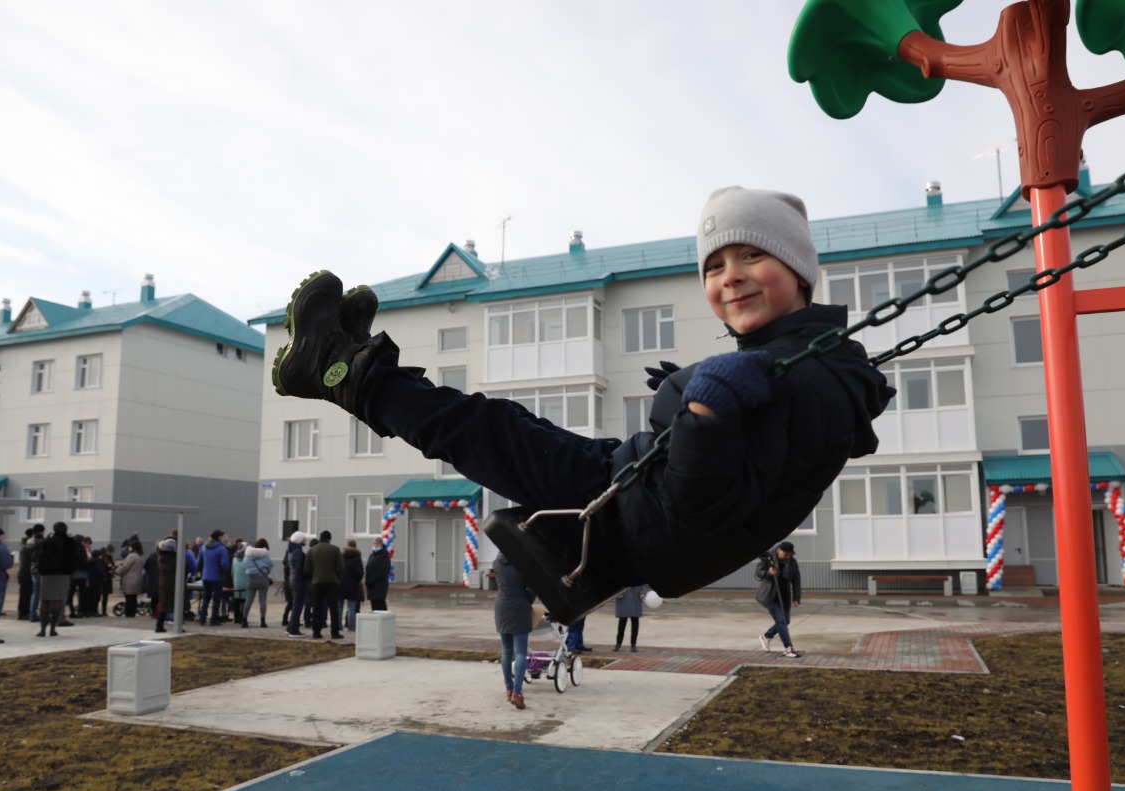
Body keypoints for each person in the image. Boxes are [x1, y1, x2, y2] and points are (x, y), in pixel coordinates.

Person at [268, 186, 893, 622]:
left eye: (753, 255)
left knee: (477, 428)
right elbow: (759, 455)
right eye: (714, 265)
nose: (730, 276)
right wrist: (694, 397)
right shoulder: (804, 360)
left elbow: (705, 507)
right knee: (495, 424)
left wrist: (704, 412)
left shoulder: (813, 375)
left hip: (629, 514)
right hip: (632, 491)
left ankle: (339, 371)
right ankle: (350, 362)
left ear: (801, 271)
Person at [493, 552, 536, 710]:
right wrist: (527, 601)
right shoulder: (522, 563)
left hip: (501, 606)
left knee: (506, 651)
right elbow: (532, 588)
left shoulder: (496, 562)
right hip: (519, 607)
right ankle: (517, 693)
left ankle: (509, 689)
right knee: (520, 652)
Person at [755, 541, 802, 658]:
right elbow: (758, 573)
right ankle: (788, 648)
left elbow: (796, 580)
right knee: (781, 620)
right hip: (770, 595)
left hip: (784, 595)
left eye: (789, 555)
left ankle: (766, 636)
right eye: (785, 554)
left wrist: (796, 597)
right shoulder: (769, 558)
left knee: (786, 620)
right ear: (778, 550)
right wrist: (769, 573)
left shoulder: (792, 562)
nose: (787, 557)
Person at [36, 521, 82, 637]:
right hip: (63, 574)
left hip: (47, 575)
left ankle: (42, 629)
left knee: (45, 601)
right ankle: (52, 628)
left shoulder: (47, 542)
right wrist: (69, 571)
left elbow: (40, 558)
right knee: (58, 601)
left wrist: (41, 570)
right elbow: (74, 560)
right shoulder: (71, 543)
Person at [306, 530, 344, 640]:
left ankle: (316, 632)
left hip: (316, 582)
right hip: (332, 582)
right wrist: (337, 577)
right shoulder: (335, 550)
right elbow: (340, 567)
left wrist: (313, 577)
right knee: (333, 608)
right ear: (329, 539)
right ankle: (335, 632)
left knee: (317, 607)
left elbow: (307, 568)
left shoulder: (312, 550)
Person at [196, 529, 231, 626]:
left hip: (206, 576)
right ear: (219, 537)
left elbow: (199, 561)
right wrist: (223, 572)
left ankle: (202, 618)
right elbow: (225, 564)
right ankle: (213, 619)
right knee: (216, 599)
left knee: (206, 597)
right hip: (217, 577)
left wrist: (200, 572)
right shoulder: (221, 549)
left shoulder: (203, 547)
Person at [242, 538, 274, 628]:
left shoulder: (248, 555)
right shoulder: (266, 555)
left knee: (248, 600)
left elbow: (244, 565)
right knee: (262, 601)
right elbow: (270, 565)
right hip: (263, 579)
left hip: (250, 578)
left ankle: (244, 620)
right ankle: (263, 621)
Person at [284, 531, 309, 636]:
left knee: (295, 605)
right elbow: (300, 568)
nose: (305, 540)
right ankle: (294, 630)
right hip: (298, 581)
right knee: (297, 606)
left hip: (293, 580)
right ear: (299, 540)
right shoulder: (298, 552)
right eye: (304, 539)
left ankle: (290, 627)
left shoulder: (291, 551)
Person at [116, 539, 145, 619]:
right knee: (134, 598)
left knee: (129, 598)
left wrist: (117, 571)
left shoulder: (131, 556)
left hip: (129, 579)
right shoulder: (141, 556)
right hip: (138, 579)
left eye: (129, 547)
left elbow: (125, 567)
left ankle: (129, 613)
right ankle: (133, 613)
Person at [340, 538, 365, 631]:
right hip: (352, 585)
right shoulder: (357, 558)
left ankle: (338, 626)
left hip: (340, 585)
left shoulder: (340, 556)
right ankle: (351, 627)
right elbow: (359, 573)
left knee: (339, 607)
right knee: (351, 607)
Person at [614, 585, 648, 653]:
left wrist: (642, 592)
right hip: (623, 598)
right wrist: (617, 593)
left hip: (635, 598)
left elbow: (642, 583)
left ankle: (633, 644)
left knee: (635, 623)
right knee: (622, 623)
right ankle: (618, 643)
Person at [24, 524, 46, 622]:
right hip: (41, 569)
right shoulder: (43, 542)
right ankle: (42, 613)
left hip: (32, 569)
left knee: (35, 591)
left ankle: (32, 614)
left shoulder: (29, 541)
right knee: (43, 593)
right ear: (41, 531)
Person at [364, 537, 391, 611]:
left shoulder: (384, 555)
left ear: (381, 545)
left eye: (377, 544)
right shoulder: (372, 555)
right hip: (371, 585)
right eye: (374, 543)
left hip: (380, 585)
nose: (375, 545)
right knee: (374, 604)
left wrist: (372, 580)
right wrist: (367, 580)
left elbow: (383, 570)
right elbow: (367, 568)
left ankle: (383, 621)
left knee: (380, 604)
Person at [16, 526, 37, 621]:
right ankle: (24, 612)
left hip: (23, 572)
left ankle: (24, 612)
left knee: (26, 593)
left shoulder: (23, 545)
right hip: (26, 572)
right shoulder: (27, 547)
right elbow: (26, 561)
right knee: (26, 593)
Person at [230, 538, 248, 627]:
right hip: (245, 582)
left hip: (236, 581)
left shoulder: (235, 558)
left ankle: (236, 617)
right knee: (244, 601)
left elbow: (232, 571)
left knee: (237, 600)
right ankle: (243, 616)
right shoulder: (247, 559)